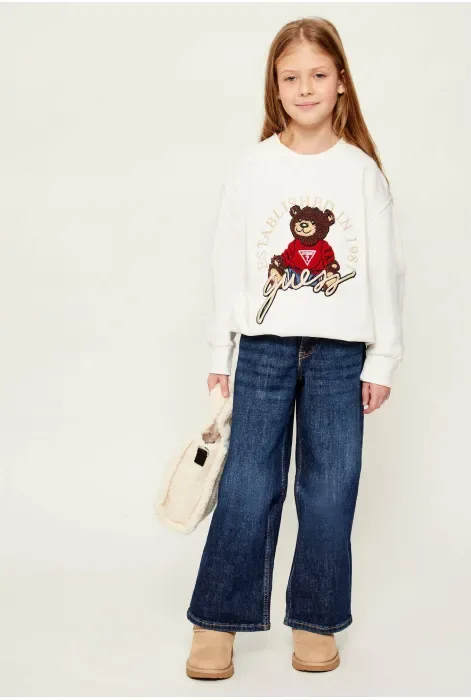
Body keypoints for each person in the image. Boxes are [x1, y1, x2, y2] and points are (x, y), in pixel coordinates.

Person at [185, 16, 406, 680]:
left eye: (318, 74)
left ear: (341, 83)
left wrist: (382, 358)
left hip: (340, 354)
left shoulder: (361, 174)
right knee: (248, 484)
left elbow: (388, 271)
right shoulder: (254, 168)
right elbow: (227, 262)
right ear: (274, 88)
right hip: (263, 349)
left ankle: (316, 619)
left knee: (331, 486)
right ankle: (216, 621)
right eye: (291, 77)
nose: (305, 88)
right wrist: (220, 352)